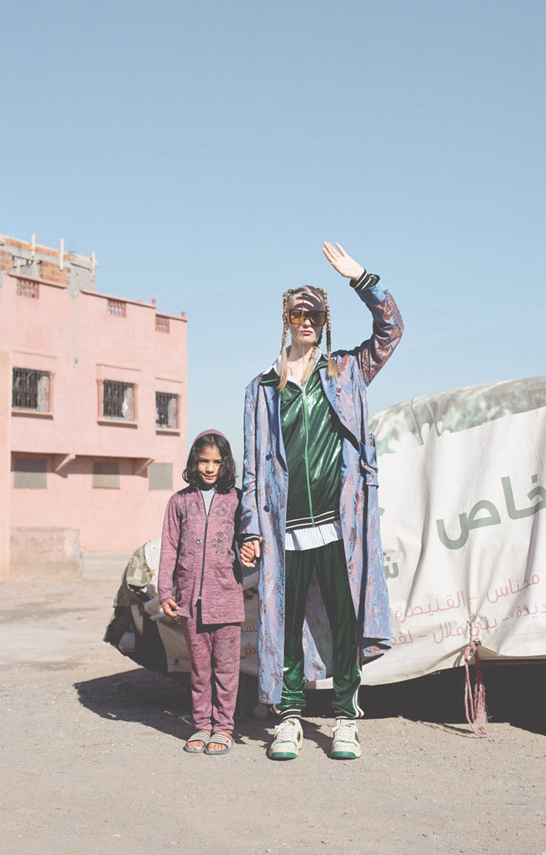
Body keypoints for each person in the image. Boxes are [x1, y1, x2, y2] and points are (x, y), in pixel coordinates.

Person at [239, 242, 403, 760]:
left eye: (314, 313)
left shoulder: (345, 371)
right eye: (297, 313)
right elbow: (251, 465)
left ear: (325, 320)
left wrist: (363, 279)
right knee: (283, 626)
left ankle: (344, 718)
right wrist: (248, 527)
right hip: (282, 528)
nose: (305, 320)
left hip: (340, 525)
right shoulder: (263, 388)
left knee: (346, 621)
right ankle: (288, 717)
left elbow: (391, 331)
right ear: (285, 320)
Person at [158, 430, 243, 755]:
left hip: (227, 601)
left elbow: (251, 536)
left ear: (225, 465)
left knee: (225, 669)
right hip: (189, 602)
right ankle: (201, 726)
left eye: (216, 462)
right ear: (194, 462)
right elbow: (168, 547)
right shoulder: (179, 502)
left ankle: (223, 728)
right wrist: (166, 590)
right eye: (204, 461)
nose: (210, 468)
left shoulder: (237, 499)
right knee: (199, 670)